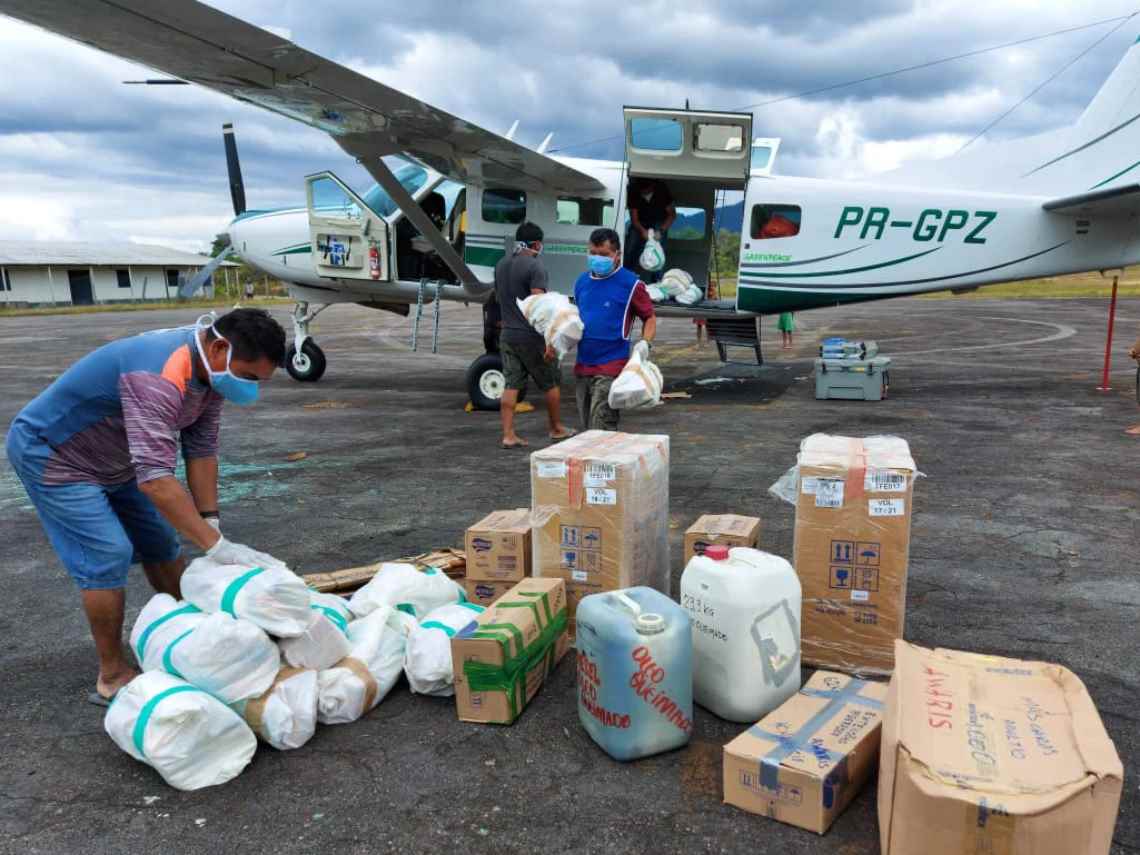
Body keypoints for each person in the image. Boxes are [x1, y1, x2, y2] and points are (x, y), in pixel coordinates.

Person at [5, 308, 286, 706]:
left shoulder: (211, 374)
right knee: (107, 553)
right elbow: (154, 479)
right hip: (54, 453)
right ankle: (112, 675)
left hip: (118, 457)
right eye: (249, 376)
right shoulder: (158, 374)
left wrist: (211, 524)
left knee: (161, 544)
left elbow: (201, 448)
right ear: (219, 348)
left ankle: (188, 637)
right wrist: (217, 547)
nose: (251, 388)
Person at [493, 221, 573, 449]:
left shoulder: (501, 264)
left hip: (508, 335)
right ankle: (556, 428)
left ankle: (508, 435)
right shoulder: (535, 266)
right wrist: (549, 342)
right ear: (537, 244)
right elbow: (540, 307)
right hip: (531, 337)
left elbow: (498, 297)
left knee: (511, 384)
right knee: (551, 382)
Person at [574, 228, 657, 431]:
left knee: (601, 428)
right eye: (592, 253)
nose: (597, 258)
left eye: (603, 254)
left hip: (610, 366)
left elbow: (650, 317)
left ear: (617, 255)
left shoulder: (631, 284)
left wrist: (645, 343)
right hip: (583, 365)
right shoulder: (581, 282)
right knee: (586, 430)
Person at [624, 178, 676, 282]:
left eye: (646, 190)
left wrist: (661, 231)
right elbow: (634, 219)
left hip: (659, 222)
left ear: (652, 186)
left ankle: (658, 280)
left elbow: (672, 215)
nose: (644, 192)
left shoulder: (662, 190)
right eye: (642, 191)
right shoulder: (634, 191)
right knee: (630, 247)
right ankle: (627, 276)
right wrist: (642, 231)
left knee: (659, 250)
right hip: (640, 222)